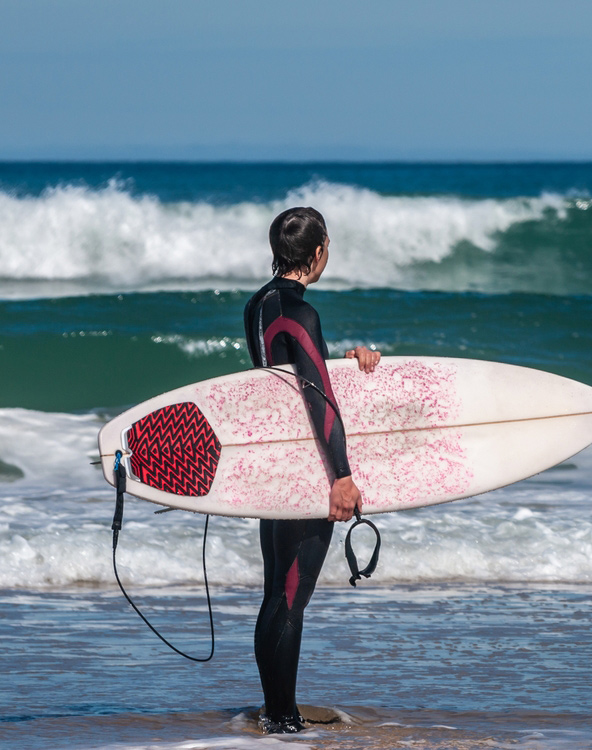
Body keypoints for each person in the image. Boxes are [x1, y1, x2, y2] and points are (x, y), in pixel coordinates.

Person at [243, 206, 380, 734]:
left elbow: (288, 379)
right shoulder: (302, 312)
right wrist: (341, 476)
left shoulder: (258, 305)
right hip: (308, 469)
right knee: (291, 598)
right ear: (319, 251)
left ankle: (276, 710)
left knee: (275, 590)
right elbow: (317, 398)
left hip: (273, 464)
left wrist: (352, 362)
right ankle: (282, 720)